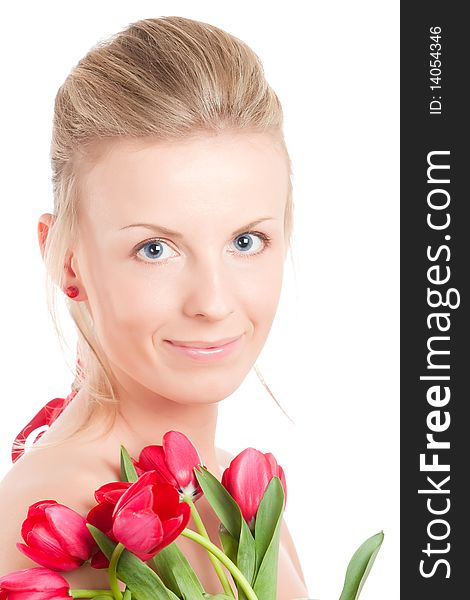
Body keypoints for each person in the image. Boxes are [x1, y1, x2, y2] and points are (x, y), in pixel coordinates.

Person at [0, 15, 309, 598]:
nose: (213, 302)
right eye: (155, 248)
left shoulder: (236, 492)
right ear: (67, 260)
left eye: (246, 242)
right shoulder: (64, 510)